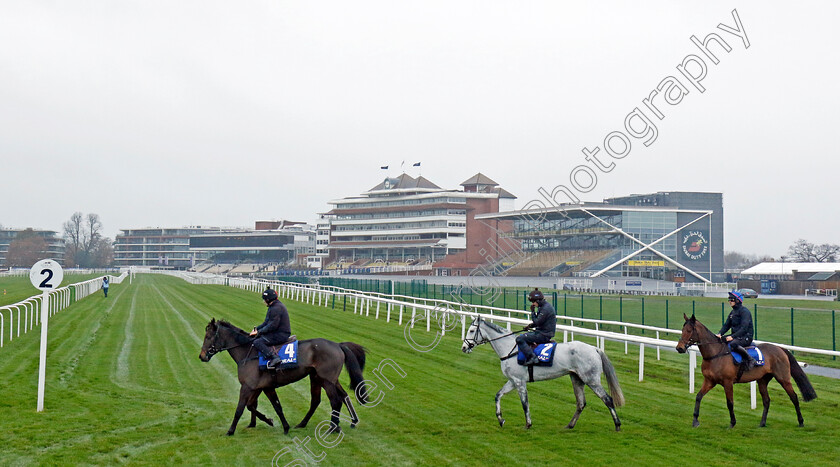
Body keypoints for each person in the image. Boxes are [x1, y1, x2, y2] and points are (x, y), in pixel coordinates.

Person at [249, 287, 292, 369]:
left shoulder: (276, 308)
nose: (264, 301)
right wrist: (256, 329)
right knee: (257, 337)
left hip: (281, 334)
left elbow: (272, 326)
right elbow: (266, 323)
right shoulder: (273, 306)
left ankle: (275, 358)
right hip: (278, 332)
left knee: (258, 342)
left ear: (268, 299)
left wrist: (258, 332)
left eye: (264, 299)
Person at [717, 290, 755, 379]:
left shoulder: (745, 312)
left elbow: (744, 328)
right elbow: (726, 325)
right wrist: (720, 334)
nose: (729, 301)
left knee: (733, 344)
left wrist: (732, 337)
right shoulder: (732, 312)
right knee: (721, 340)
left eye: (731, 299)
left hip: (746, 337)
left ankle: (750, 359)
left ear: (737, 300)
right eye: (729, 299)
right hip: (737, 336)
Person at [516, 288, 557, 366]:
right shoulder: (543, 307)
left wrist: (532, 312)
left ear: (538, 301)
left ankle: (532, 357)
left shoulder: (546, 308)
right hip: (543, 332)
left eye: (533, 302)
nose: (533, 304)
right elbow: (539, 322)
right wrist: (530, 326)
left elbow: (537, 322)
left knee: (520, 338)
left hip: (543, 335)